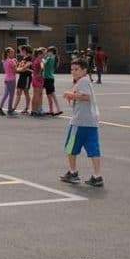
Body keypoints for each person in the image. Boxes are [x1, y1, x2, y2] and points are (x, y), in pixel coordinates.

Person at [60, 58, 103, 187]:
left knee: (70, 147)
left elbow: (86, 97)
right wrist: (72, 95)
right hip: (91, 122)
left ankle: (73, 173)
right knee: (93, 149)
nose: (73, 72)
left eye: (76, 69)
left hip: (79, 122)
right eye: (72, 69)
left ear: (84, 70)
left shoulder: (83, 81)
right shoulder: (84, 81)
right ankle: (97, 175)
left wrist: (70, 95)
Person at [0, 47, 18, 116]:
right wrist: (18, 64)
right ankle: (9, 110)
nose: (13, 54)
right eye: (12, 52)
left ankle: (0, 107)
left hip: (7, 79)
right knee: (11, 95)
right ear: (8, 53)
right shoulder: (11, 61)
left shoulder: (5, 60)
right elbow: (15, 70)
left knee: (5, 94)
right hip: (12, 79)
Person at [12, 45, 33, 114]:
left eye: (20, 51)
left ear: (24, 51)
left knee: (26, 92)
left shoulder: (29, 58)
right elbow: (21, 68)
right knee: (18, 92)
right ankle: (14, 107)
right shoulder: (23, 58)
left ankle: (26, 108)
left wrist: (16, 69)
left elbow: (24, 68)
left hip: (26, 77)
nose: (20, 52)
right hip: (21, 77)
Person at [44, 46, 63, 116]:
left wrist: (43, 58)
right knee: (52, 94)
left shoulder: (49, 58)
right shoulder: (55, 58)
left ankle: (52, 109)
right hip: (51, 78)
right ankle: (56, 109)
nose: (47, 53)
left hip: (47, 78)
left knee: (49, 95)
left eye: (48, 51)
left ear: (51, 52)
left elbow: (44, 64)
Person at [30, 47, 45, 116]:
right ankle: (36, 110)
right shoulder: (40, 60)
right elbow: (42, 68)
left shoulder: (35, 60)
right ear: (39, 54)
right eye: (42, 54)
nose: (43, 55)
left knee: (34, 95)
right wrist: (40, 73)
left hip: (34, 78)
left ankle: (33, 110)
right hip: (39, 79)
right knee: (38, 95)